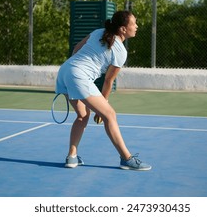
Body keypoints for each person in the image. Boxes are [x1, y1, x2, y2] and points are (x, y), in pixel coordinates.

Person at [55, 10, 151, 171]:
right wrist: (102, 107)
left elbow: (76, 49)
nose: (137, 26)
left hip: (65, 70)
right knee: (110, 115)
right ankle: (126, 159)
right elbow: (108, 80)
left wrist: (74, 73)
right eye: (133, 23)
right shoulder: (120, 52)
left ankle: (72, 156)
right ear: (123, 29)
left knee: (82, 116)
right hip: (78, 76)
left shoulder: (98, 32)